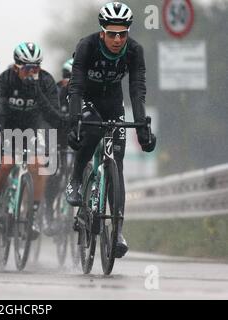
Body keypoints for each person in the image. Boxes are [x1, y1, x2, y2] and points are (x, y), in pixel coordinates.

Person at [66, 2, 157, 258]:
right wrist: (75, 123)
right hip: (85, 98)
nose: (118, 39)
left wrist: (142, 127)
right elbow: (75, 88)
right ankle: (75, 180)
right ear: (102, 31)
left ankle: (117, 232)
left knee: (117, 161)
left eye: (123, 34)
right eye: (112, 33)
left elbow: (137, 90)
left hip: (113, 103)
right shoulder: (87, 46)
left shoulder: (134, 51)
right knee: (93, 133)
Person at [0, 42, 67, 246]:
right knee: (5, 164)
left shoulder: (45, 81)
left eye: (35, 68)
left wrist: (37, 93)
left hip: (34, 129)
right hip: (9, 127)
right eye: (27, 68)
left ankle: (33, 214)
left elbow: (53, 116)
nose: (31, 72)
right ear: (16, 67)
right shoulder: (5, 79)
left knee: (39, 164)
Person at [42, 58, 74, 237]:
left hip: (76, 137)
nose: (71, 81)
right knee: (54, 172)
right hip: (57, 137)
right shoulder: (55, 92)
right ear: (62, 79)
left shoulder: (85, 93)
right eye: (68, 77)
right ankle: (48, 210)